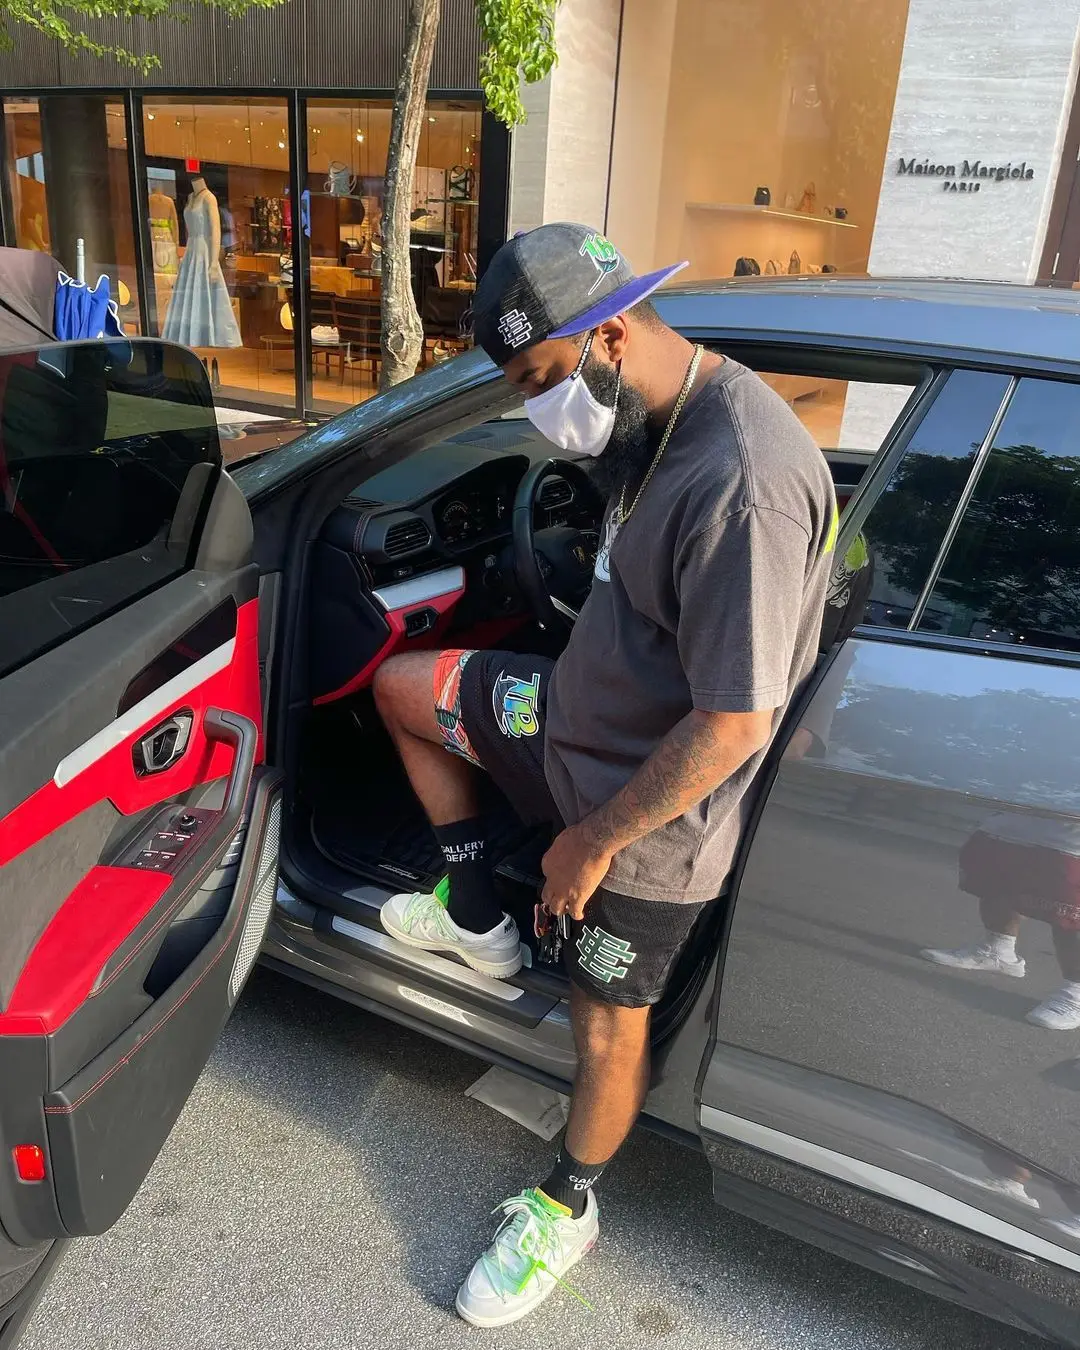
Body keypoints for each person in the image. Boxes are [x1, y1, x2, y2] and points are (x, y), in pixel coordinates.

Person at [372, 222, 838, 1327]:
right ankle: (477, 915)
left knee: (604, 1024)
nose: (541, 411)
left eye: (542, 382)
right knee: (404, 689)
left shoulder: (743, 481)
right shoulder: (655, 422)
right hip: (562, 723)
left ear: (611, 337)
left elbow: (734, 719)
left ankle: (566, 1204)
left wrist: (589, 843)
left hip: (647, 819)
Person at [922, 811, 1080, 1028]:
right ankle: (997, 951)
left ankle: (1076, 992)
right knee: (999, 876)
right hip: (1026, 808)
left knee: (1071, 903)